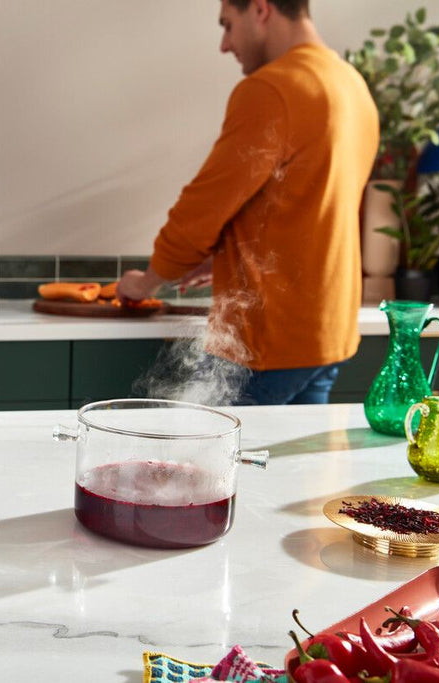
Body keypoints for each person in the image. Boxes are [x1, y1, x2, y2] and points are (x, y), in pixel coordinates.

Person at [118, 0, 379, 405]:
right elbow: (311, 207)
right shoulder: (352, 86)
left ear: (260, 9)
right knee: (295, 452)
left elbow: (201, 209)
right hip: (328, 337)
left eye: (228, 24)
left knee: (209, 447)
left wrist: (145, 282)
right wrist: (227, 258)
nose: (225, 44)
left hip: (265, 343)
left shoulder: (273, 88)